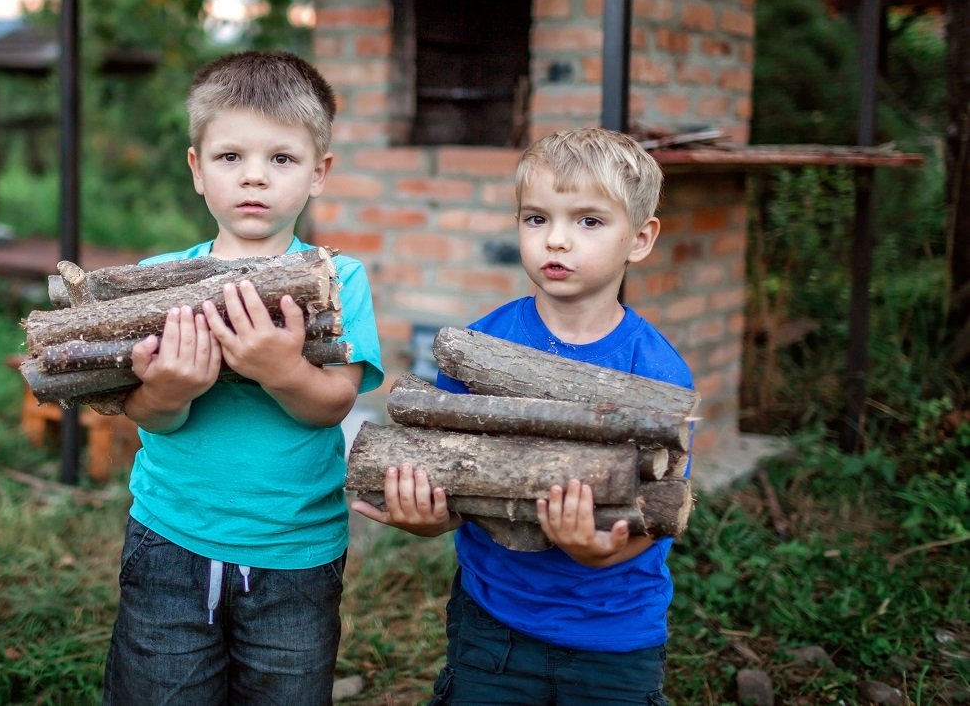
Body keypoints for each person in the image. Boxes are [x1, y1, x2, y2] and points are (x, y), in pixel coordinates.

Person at [352, 127, 693, 705]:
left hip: (613, 633)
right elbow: (459, 482)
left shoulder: (656, 372)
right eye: (536, 219)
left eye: (588, 221)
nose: (556, 240)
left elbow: (659, 512)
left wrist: (598, 548)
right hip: (494, 624)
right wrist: (427, 517)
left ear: (640, 238)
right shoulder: (480, 346)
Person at [103, 50, 384, 706]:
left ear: (320, 172)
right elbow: (148, 411)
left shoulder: (338, 280)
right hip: (171, 535)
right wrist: (169, 391)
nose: (255, 176)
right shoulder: (159, 281)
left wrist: (282, 371)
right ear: (198, 169)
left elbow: (334, 401)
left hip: (297, 547)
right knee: (160, 691)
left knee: (283, 690)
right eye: (231, 157)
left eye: (281, 159)